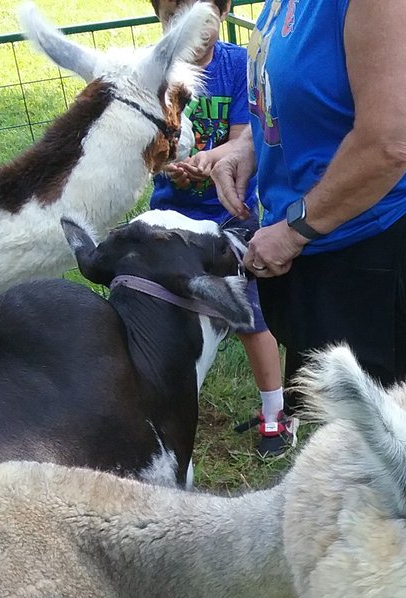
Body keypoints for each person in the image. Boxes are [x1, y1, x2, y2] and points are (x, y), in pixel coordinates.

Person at [207, 0, 406, 410]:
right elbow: (306, 78)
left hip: (391, 239)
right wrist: (250, 143)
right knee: (344, 440)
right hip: (335, 234)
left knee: (400, 452)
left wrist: (293, 231)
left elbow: (389, 143)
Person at [148, 0, 293, 458]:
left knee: (252, 314)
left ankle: (275, 412)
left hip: (231, 216)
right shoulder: (152, 70)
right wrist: (171, 163)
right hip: (171, 217)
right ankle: (161, 410)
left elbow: (241, 137)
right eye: (176, 11)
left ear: (225, 11)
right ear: (159, 13)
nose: (192, 22)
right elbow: (150, 142)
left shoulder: (235, 66)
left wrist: (209, 162)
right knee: (162, 314)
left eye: (204, 11)